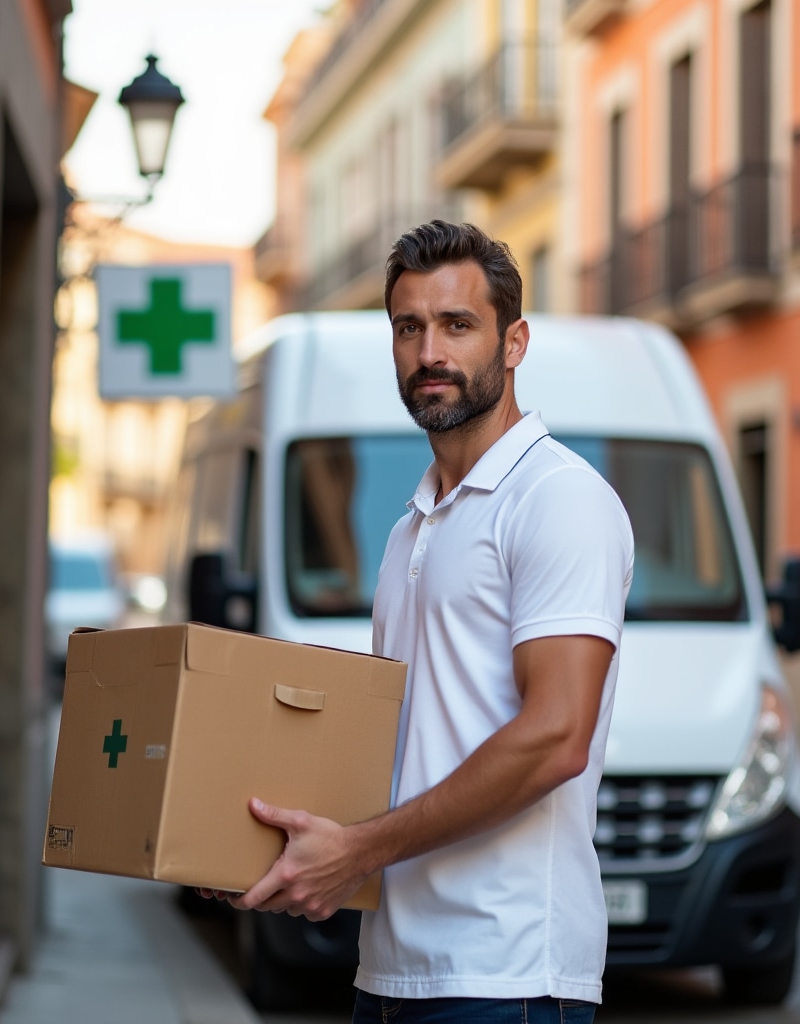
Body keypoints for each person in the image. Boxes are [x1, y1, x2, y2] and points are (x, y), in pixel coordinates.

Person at [202, 220, 634, 1023]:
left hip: (507, 976)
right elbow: (406, 746)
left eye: (457, 325)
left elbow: (556, 735)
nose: (430, 351)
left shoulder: (558, 499)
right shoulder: (414, 525)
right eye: (409, 327)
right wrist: (266, 846)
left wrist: (359, 851)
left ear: (514, 342)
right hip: (394, 970)